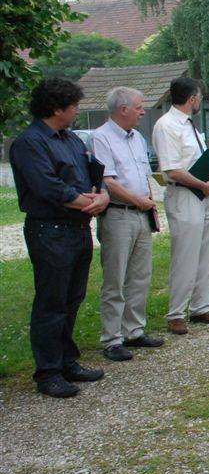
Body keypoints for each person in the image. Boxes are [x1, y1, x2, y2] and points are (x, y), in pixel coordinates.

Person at [10, 78, 108, 398]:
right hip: (49, 230)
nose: (77, 110)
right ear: (55, 108)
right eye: (73, 105)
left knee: (72, 298)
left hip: (78, 228)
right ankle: (48, 371)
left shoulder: (71, 140)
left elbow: (93, 172)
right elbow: (48, 187)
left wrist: (101, 196)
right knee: (52, 301)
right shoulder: (30, 142)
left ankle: (67, 359)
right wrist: (88, 203)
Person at [91, 87, 164, 362]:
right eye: (139, 106)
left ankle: (134, 330)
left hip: (141, 215)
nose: (143, 111)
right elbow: (108, 182)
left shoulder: (137, 138)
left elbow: (144, 176)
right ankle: (112, 338)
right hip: (118, 214)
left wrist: (148, 205)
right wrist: (138, 200)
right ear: (123, 109)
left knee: (140, 275)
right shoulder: (101, 138)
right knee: (115, 278)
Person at [152, 76, 209, 335]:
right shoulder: (167, 125)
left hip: (203, 193)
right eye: (200, 98)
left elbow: (196, 159)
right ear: (192, 99)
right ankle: (176, 312)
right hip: (184, 194)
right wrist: (201, 184)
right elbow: (171, 168)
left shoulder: (190, 125)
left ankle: (201, 305)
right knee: (186, 254)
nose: (200, 102)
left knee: (206, 252)